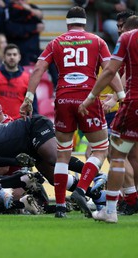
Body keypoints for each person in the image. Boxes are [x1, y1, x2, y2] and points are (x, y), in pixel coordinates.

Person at [19, 6, 124, 218]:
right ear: (84, 23)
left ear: (67, 23)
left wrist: (28, 98)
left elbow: (38, 69)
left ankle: (59, 207)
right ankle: (80, 189)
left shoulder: (56, 42)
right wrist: (120, 95)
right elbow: (109, 70)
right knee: (100, 149)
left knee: (63, 154)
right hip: (88, 97)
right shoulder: (97, 41)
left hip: (64, 97)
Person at [78, 15, 138, 223]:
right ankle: (132, 197)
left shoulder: (128, 39)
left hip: (132, 103)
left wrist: (91, 97)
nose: (119, 31)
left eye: (121, 28)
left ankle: (111, 210)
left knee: (116, 154)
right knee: (134, 154)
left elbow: (111, 70)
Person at [0, 43, 32, 120]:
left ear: (19, 57)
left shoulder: (27, 78)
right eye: (9, 54)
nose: (12, 57)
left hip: (19, 121)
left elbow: (31, 103)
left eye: (14, 54)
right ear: (4, 57)